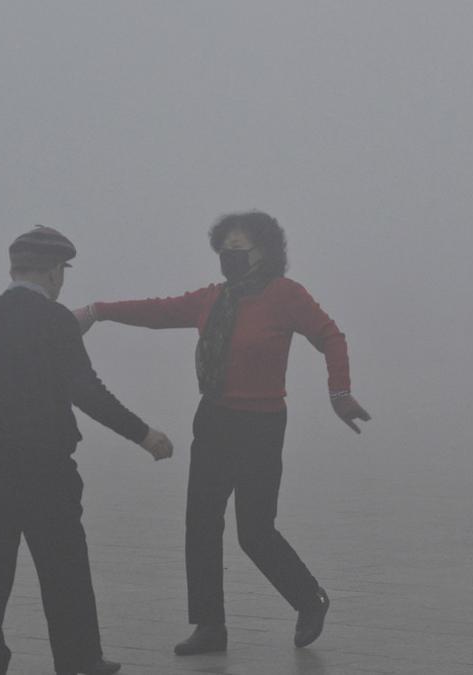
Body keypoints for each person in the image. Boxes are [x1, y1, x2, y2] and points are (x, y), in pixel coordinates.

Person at [74, 211, 369, 655]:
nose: (228, 259)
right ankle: (210, 627)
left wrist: (340, 393)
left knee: (254, 530)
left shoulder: (285, 295)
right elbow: (159, 311)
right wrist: (97, 312)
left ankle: (309, 599)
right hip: (214, 420)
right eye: (223, 251)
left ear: (264, 252)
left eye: (238, 250)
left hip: (263, 424)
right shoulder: (214, 299)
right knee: (201, 524)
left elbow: (331, 337)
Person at [0, 226, 174, 675]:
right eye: (62, 270)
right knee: (64, 568)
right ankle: (80, 660)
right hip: (45, 467)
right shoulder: (57, 321)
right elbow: (86, 392)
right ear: (53, 272)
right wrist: (143, 434)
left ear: (13, 270)